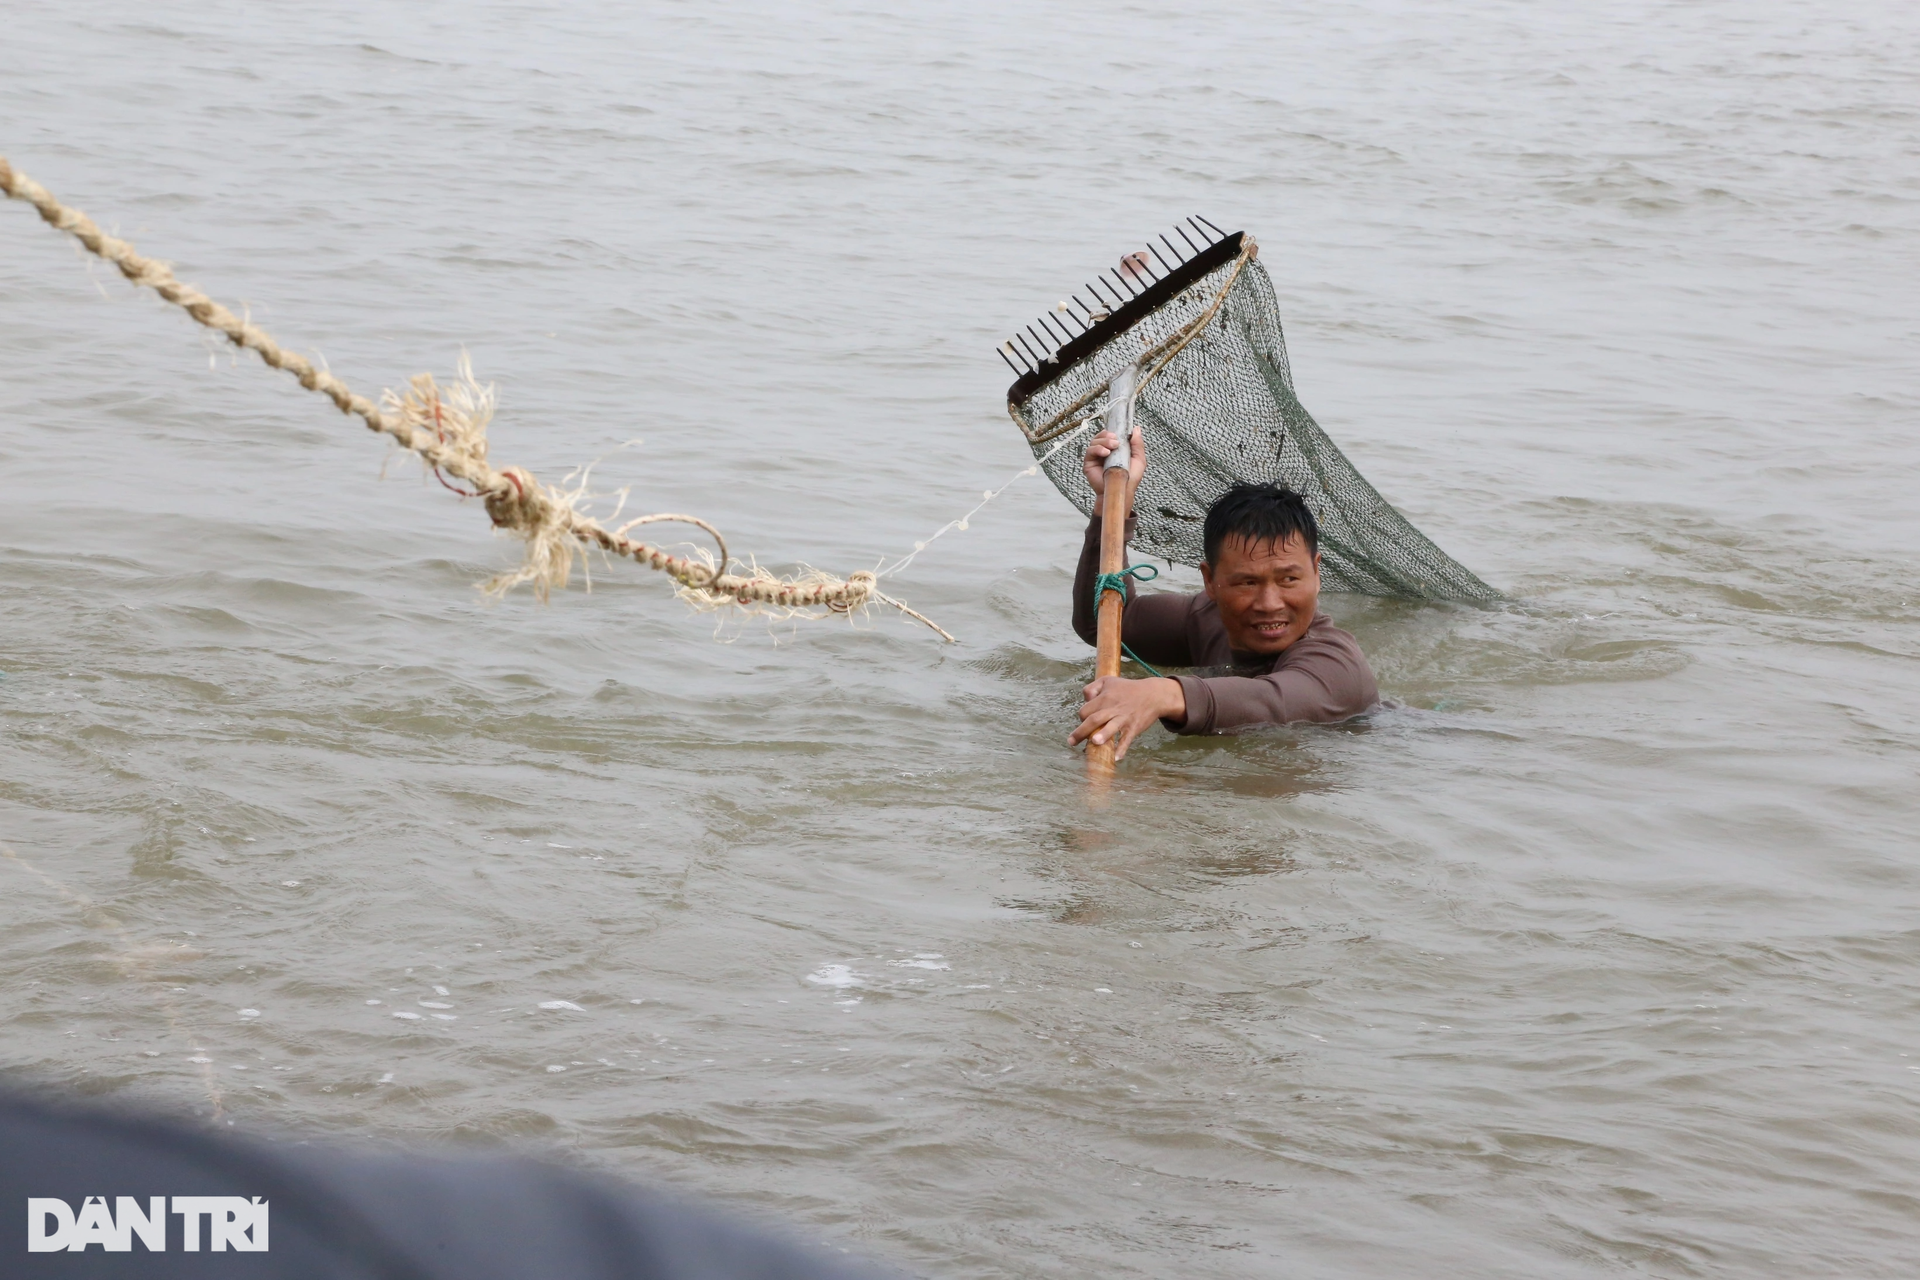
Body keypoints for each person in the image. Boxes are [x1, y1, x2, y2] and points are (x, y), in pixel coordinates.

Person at [1069, 425, 1378, 760]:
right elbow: (1107, 625)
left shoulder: (1338, 667)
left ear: (1317, 573)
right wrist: (1111, 505)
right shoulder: (1206, 618)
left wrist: (1161, 693)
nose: (1270, 604)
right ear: (1210, 581)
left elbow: (1272, 699)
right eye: (1247, 583)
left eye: (1288, 580)